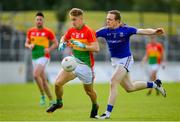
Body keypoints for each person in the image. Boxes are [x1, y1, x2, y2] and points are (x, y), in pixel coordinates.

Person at [94, 10, 167, 119]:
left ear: (118, 21)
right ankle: (155, 84)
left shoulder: (126, 30)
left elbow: (142, 31)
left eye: (110, 19)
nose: (107, 21)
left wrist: (155, 31)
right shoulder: (104, 31)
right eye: (107, 19)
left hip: (126, 59)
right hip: (115, 62)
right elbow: (89, 36)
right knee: (130, 88)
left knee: (113, 82)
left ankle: (107, 114)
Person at [46, 8, 100, 118]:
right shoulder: (71, 30)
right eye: (71, 20)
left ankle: (95, 105)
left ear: (81, 19)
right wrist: (62, 43)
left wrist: (83, 46)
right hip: (73, 62)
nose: (73, 22)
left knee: (89, 92)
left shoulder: (89, 31)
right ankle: (59, 102)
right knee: (57, 83)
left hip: (86, 66)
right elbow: (64, 37)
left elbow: (96, 48)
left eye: (74, 19)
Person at [25, 12, 58, 105]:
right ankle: (51, 100)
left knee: (35, 75)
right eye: (37, 19)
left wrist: (49, 49)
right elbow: (26, 43)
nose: (39, 21)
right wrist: (29, 45)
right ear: (35, 21)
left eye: (40, 20)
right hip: (34, 57)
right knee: (43, 80)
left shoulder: (48, 32)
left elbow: (56, 43)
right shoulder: (31, 31)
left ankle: (42, 96)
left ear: (43, 21)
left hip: (44, 57)